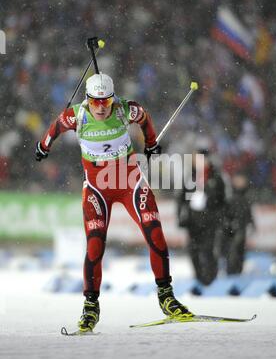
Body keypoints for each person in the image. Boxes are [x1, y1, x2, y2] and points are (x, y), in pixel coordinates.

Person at [35, 73, 193, 333]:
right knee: (95, 244)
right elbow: (55, 128)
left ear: (113, 100)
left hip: (129, 180)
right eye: (96, 102)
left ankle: (167, 298)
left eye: (106, 103)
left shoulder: (124, 109)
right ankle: (90, 307)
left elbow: (144, 118)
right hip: (98, 187)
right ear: (87, 100)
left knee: (155, 233)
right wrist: (43, 147)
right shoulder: (77, 115)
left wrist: (151, 144)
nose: (101, 108)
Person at [177, 147, 226, 286]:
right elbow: (181, 198)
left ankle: (210, 279)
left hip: (210, 221)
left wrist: (209, 202)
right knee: (193, 250)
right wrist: (182, 214)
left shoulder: (215, 177)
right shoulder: (190, 177)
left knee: (208, 250)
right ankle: (199, 278)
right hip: (193, 221)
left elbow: (222, 200)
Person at [221, 173, 255, 275]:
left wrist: (251, 224)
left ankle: (237, 272)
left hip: (241, 228)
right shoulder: (230, 197)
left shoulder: (244, 198)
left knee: (240, 252)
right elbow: (225, 214)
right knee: (232, 252)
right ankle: (231, 272)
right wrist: (229, 224)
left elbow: (248, 213)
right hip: (232, 230)